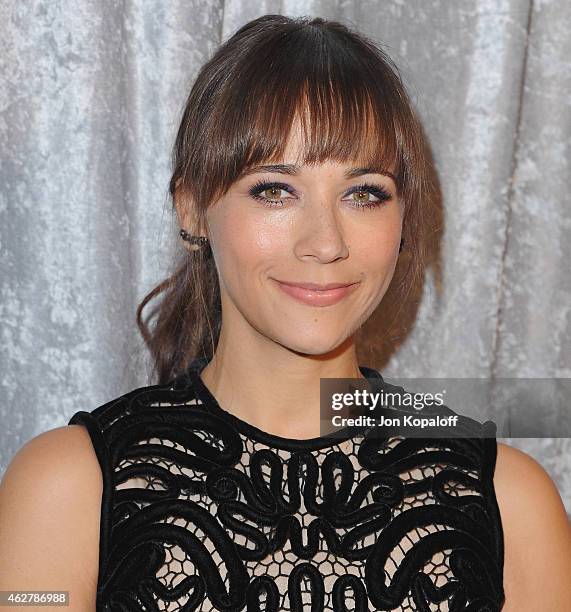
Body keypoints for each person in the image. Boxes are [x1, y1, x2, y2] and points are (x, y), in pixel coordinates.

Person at [1, 13, 571, 612]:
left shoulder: (511, 504)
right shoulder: (67, 490)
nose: (325, 242)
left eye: (364, 193)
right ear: (192, 207)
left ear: (404, 220)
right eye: (274, 189)